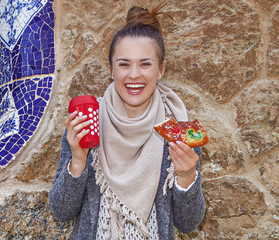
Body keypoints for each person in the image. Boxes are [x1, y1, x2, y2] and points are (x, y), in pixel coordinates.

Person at [49, 2, 206, 239]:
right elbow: (61, 211)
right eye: (124, 64)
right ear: (111, 68)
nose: (134, 75)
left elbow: (188, 224)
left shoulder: (178, 130)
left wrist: (186, 177)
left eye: (145, 64)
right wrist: (78, 161)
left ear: (161, 69)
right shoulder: (87, 123)